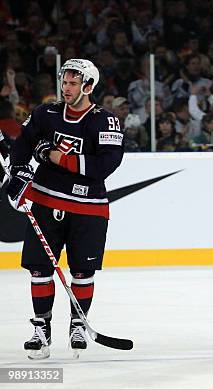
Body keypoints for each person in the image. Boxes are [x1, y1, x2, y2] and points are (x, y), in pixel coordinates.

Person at [5, 59, 124, 359]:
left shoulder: (105, 121)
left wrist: (55, 157)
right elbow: (22, 144)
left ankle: (78, 324)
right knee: (39, 269)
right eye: (65, 82)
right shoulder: (46, 113)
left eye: (73, 83)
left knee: (83, 271)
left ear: (88, 86)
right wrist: (19, 171)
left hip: (88, 208)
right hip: (46, 202)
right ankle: (41, 328)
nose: (66, 88)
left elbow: (104, 166)